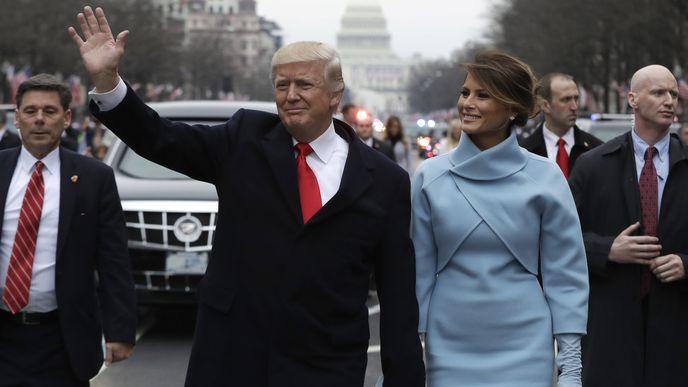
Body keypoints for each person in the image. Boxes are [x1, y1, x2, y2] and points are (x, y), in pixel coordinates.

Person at [69, 6, 424, 387]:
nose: (290, 96)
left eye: (304, 85)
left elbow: (398, 295)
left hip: (326, 364)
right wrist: (109, 80)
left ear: (335, 95)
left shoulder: (386, 180)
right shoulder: (243, 140)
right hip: (233, 357)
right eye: (281, 86)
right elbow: (160, 137)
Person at [412, 51, 589, 387]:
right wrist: (410, 351)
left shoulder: (547, 177)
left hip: (526, 345)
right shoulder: (428, 177)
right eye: (465, 93)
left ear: (512, 108)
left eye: (483, 94)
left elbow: (565, 274)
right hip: (446, 344)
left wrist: (571, 367)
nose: (467, 103)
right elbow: (418, 272)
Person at [0, 74, 136, 386]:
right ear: (17, 118)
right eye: (30, 111)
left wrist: (120, 330)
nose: (39, 120)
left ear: (66, 118)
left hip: (62, 338)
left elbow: (113, 258)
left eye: (49, 112)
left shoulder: (94, 178)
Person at [569, 64, 688, 387]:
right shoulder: (592, 166)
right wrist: (608, 249)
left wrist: (685, 264)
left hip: (677, 327)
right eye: (658, 93)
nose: (669, 101)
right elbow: (558, 241)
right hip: (611, 326)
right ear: (632, 99)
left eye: (673, 94)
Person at [519, 72, 603, 177]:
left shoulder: (597, 149)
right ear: (545, 105)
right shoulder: (524, 153)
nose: (574, 107)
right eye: (566, 100)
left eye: (576, 99)